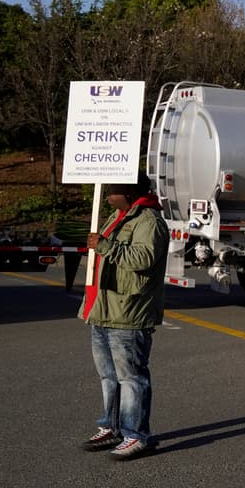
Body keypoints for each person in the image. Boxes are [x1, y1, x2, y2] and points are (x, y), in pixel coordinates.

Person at [79, 171, 168, 459]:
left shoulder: (149, 221)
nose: (108, 195)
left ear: (128, 192)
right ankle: (111, 426)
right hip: (103, 309)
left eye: (113, 190)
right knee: (108, 376)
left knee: (131, 378)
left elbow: (143, 258)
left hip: (128, 313)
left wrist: (104, 245)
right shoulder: (117, 216)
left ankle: (136, 435)